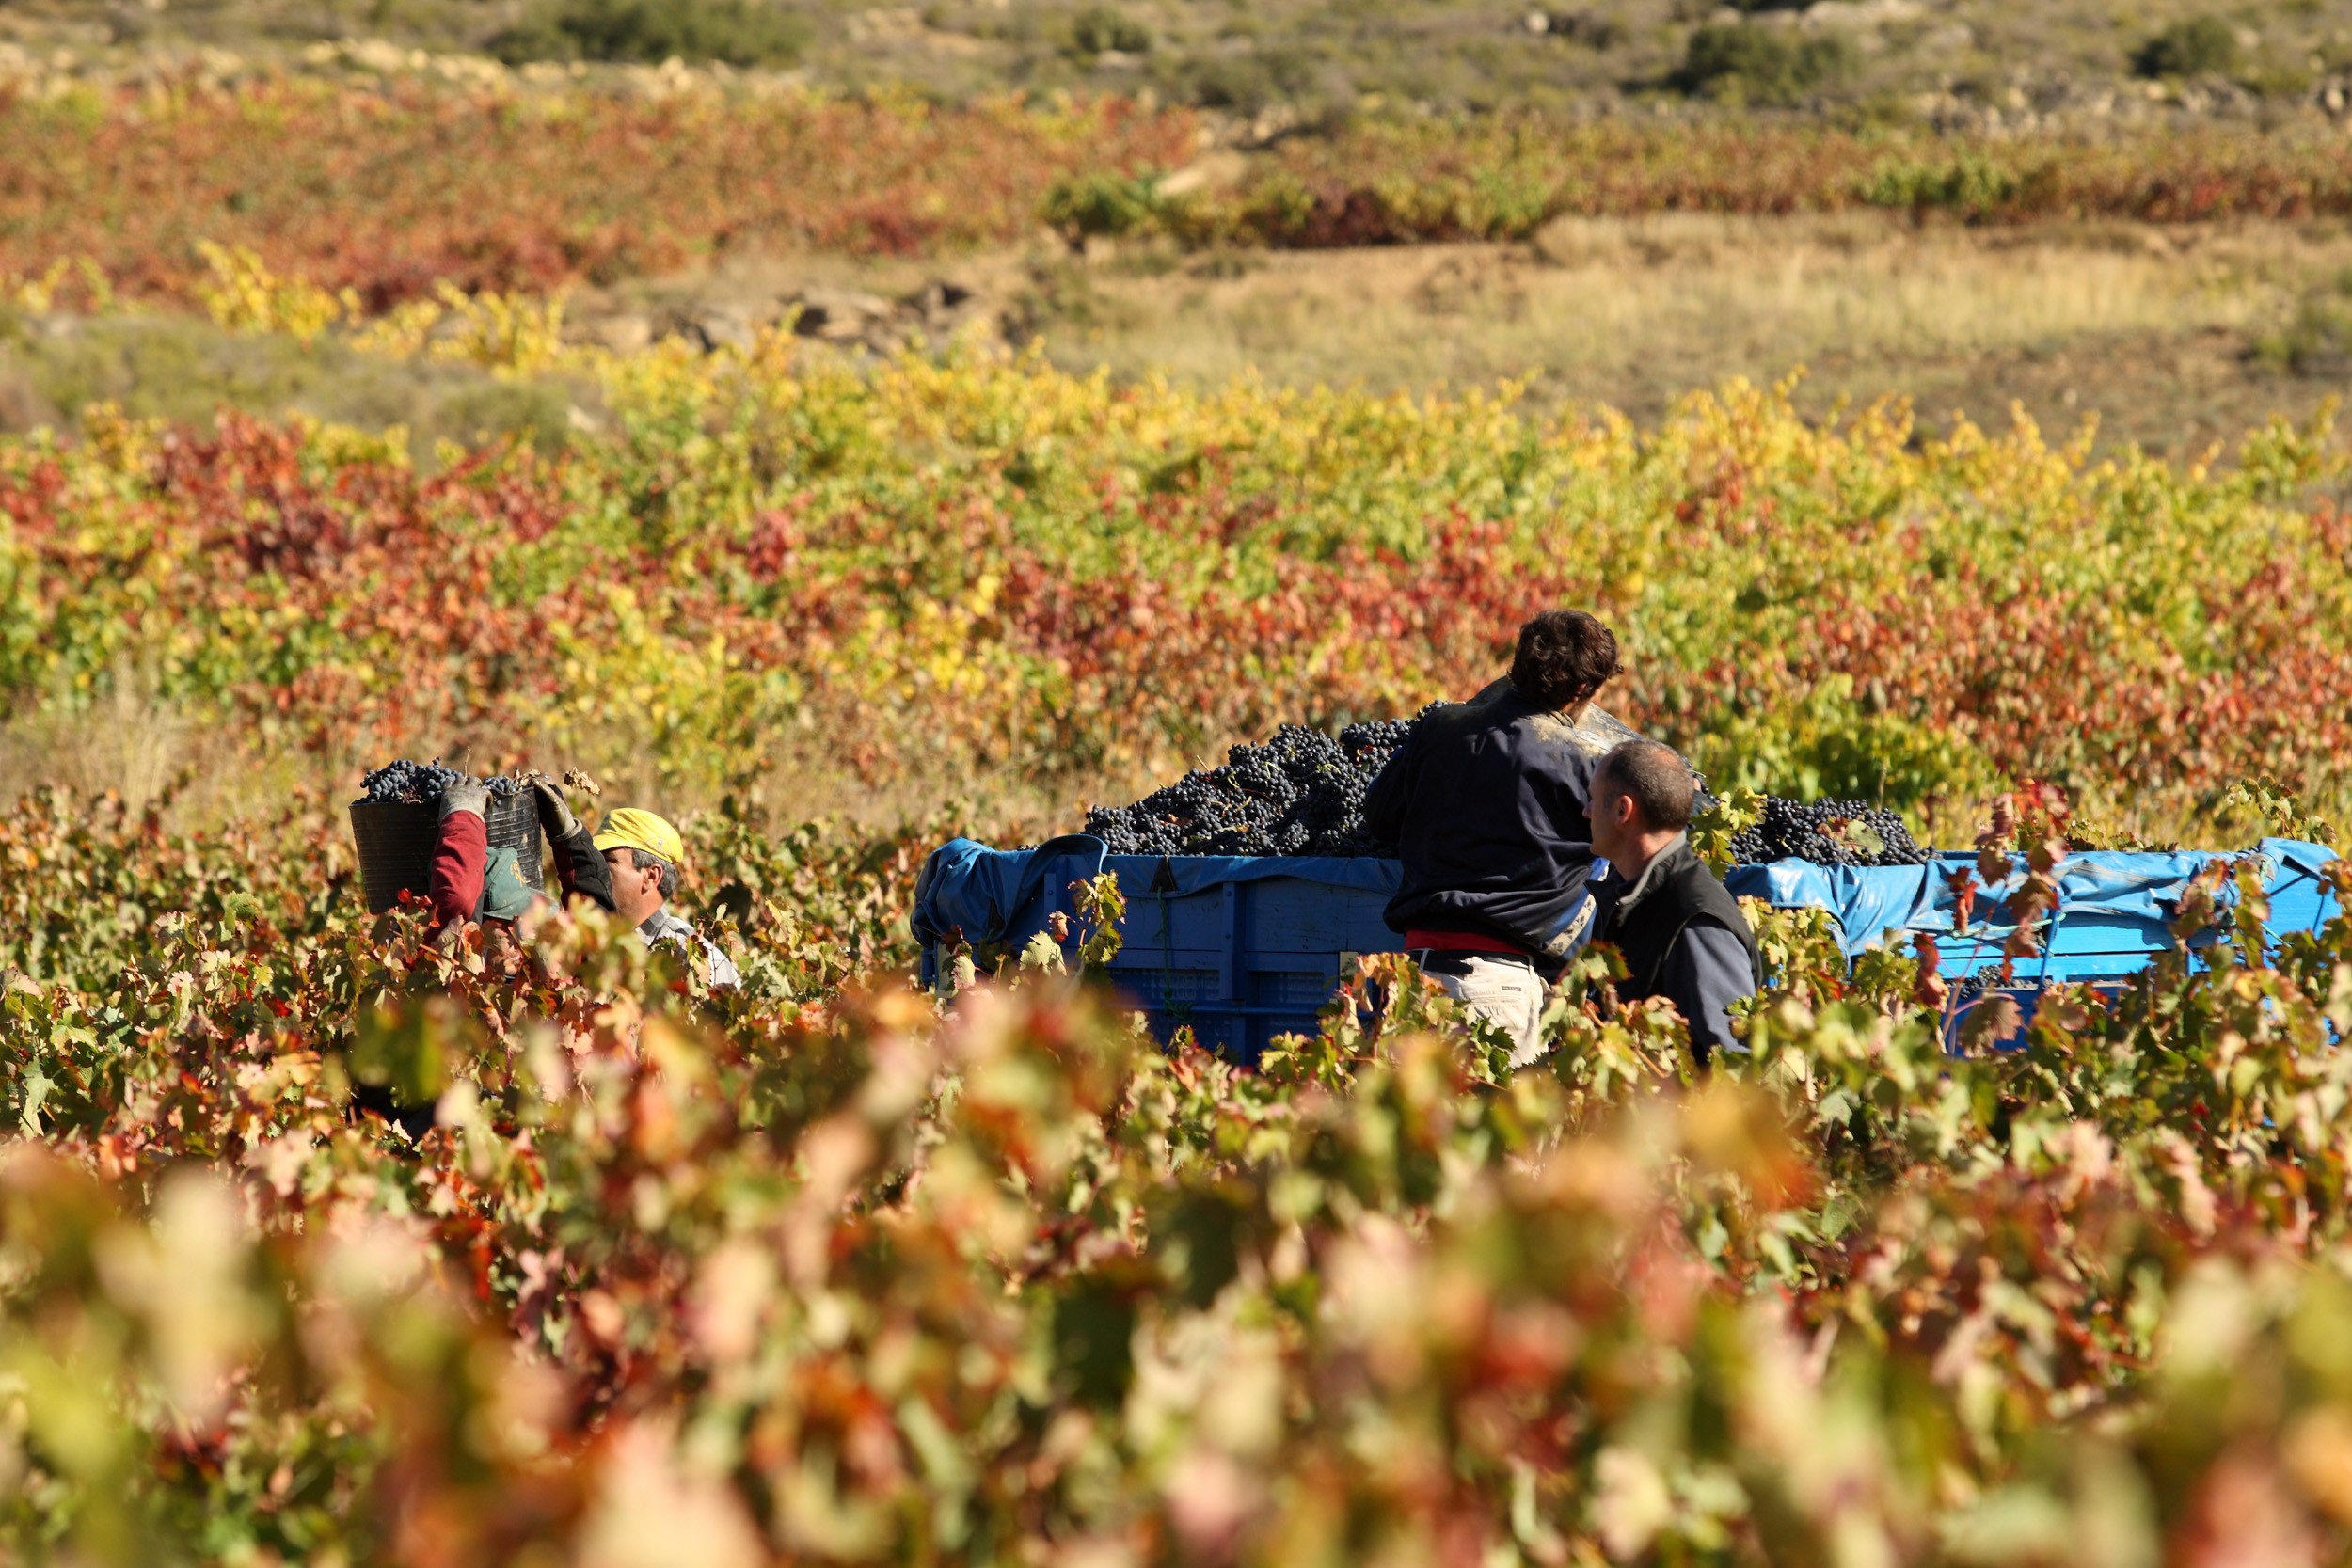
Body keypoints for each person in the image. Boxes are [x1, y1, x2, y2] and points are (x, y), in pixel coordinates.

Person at [1361, 609, 1638, 1068]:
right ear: (1580, 691)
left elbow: (1379, 818)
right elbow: (1629, 855)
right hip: (1495, 992)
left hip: (1411, 982)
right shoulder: (1587, 765)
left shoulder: (1440, 729)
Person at [427, 777, 739, 990]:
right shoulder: (574, 943)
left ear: (651, 876)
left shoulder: (693, 958)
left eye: (610, 861)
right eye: (596, 858)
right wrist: (572, 841)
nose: (600, 869)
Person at [1584, 738, 1759, 1067]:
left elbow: (1732, 1069)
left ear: (1623, 810)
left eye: (1593, 799)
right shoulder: (1636, 895)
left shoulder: (1694, 920)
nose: (1586, 811)